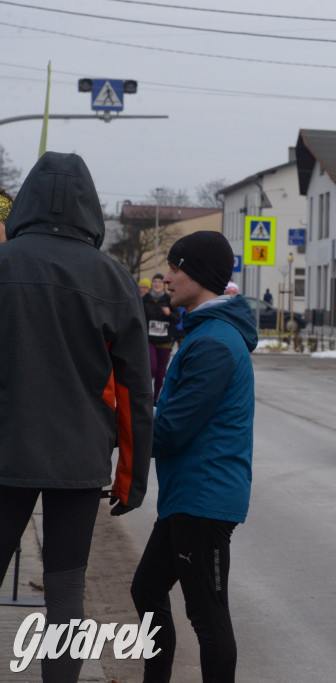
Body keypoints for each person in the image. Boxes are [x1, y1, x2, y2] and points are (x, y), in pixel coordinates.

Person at [0, 152, 153, 682]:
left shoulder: (3, 262)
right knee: (66, 589)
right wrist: (131, 479)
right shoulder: (113, 279)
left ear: (26, 202)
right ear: (91, 208)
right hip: (79, 458)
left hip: (4, 451)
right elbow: (136, 391)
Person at [130, 230, 258, 683]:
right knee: (146, 589)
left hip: (204, 500)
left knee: (208, 618)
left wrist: (117, 426)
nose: (167, 276)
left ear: (198, 275)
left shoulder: (213, 344)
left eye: (176, 267)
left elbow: (171, 428)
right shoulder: (206, 334)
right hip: (189, 496)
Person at [143, 272, 180, 405]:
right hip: (150, 339)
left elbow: (177, 319)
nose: (157, 284)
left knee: (160, 373)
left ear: (163, 285)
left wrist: (169, 314)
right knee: (152, 367)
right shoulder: (145, 299)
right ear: (152, 284)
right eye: (155, 282)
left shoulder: (168, 299)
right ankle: (147, 392)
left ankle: (155, 398)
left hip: (165, 341)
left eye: (159, 282)